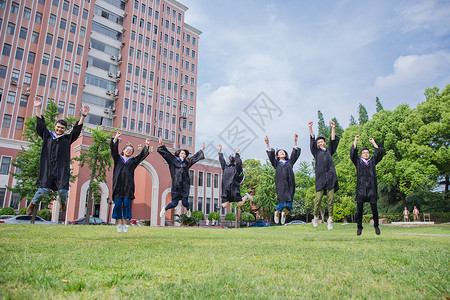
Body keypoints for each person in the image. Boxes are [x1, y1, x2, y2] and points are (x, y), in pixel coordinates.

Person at [26, 97, 90, 215]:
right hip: (47, 168)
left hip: (61, 169)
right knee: (43, 190)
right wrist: (37, 107)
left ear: (65, 130)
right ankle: (33, 203)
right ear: (55, 126)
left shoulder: (67, 138)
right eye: (58, 127)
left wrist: (83, 116)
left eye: (62, 128)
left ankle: (63, 203)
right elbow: (40, 124)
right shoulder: (47, 135)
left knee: (63, 191)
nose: (59, 129)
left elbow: (76, 131)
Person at [110, 131, 150, 233]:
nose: (128, 151)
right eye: (127, 149)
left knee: (127, 205)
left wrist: (146, 146)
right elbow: (113, 149)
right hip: (118, 186)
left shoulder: (132, 161)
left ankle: (126, 223)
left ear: (132, 153)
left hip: (128, 187)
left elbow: (141, 156)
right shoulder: (118, 159)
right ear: (123, 151)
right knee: (118, 205)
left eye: (130, 150)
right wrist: (116, 138)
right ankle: (119, 223)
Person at [158, 137, 205, 218]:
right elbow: (167, 154)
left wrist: (201, 150)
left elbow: (194, 158)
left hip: (185, 185)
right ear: (178, 154)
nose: (183, 155)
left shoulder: (187, 162)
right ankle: (165, 209)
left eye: (184, 154)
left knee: (185, 202)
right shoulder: (173, 161)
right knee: (174, 204)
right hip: (176, 185)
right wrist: (162, 145)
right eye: (182, 153)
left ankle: (188, 209)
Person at [308, 121, 339, 230]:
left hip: (330, 179)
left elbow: (333, 140)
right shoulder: (316, 152)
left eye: (322, 141)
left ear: (325, 143)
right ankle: (315, 216)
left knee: (331, 201)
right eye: (319, 142)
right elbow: (312, 139)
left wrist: (333, 128)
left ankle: (330, 219)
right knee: (318, 200)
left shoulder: (329, 151)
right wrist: (310, 128)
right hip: (321, 180)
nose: (320, 143)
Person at [351, 135, 384, 236]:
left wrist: (373, 142)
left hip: (371, 188)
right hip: (361, 189)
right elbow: (353, 154)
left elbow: (378, 154)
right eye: (364, 153)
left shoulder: (372, 162)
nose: (366, 154)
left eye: (367, 152)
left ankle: (376, 226)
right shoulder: (358, 162)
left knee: (374, 209)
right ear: (361, 155)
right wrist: (355, 141)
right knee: (359, 211)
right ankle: (359, 227)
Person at [265, 134, 301, 225]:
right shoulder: (276, 163)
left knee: (289, 206)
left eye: (283, 152)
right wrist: (267, 144)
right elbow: (271, 156)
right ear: (277, 155)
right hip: (281, 184)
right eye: (280, 152)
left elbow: (294, 154)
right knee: (282, 202)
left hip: (290, 184)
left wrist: (295, 142)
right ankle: (277, 212)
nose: (282, 153)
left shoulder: (290, 162)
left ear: (285, 154)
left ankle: (284, 215)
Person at [218, 144, 253, 209]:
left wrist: (236, 154)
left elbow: (238, 163)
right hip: (226, 191)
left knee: (239, 204)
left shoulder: (237, 169)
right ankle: (231, 199)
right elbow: (222, 161)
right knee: (224, 205)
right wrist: (219, 151)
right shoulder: (225, 167)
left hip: (234, 189)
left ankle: (246, 196)